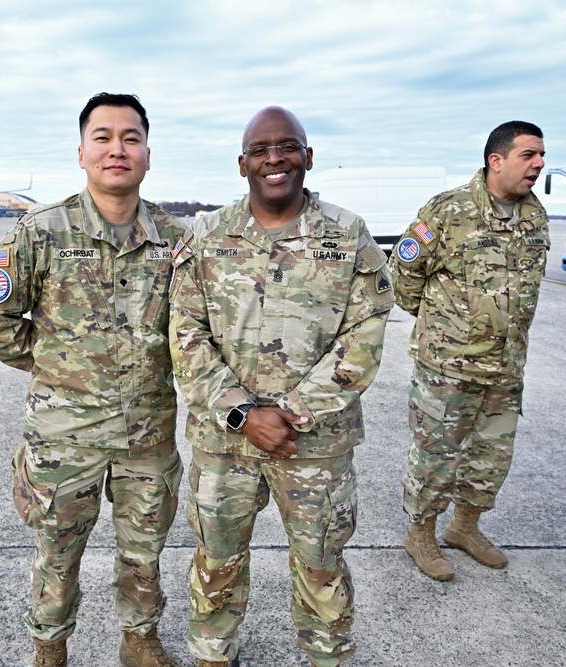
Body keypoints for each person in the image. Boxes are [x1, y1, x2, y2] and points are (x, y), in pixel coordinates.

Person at [168, 106, 394, 667]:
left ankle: (326, 657)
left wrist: (291, 411)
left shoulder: (348, 234)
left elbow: (364, 331)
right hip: (225, 442)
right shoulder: (207, 236)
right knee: (215, 560)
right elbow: (185, 331)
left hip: (313, 443)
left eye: (288, 146)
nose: (275, 158)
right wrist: (245, 413)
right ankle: (214, 656)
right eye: (261, 150)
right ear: (242, 163)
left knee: (321, 564)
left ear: (308, 157)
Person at [0, 93, 184, 667]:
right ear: (82, 151)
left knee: (144, 552)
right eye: (104, 137)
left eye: (131, 138)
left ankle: (139, 639)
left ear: (147, 153)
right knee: (57, 554)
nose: (118, 149)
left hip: (149, 436)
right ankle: (49, 648)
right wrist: (52, 368)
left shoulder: (175, 237)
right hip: (65, 437)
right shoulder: (40, 231)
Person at [387, 121, 549, 581]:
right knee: (436, 457)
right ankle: (420, 533)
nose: (538, 164)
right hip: (448, 367)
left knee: (491, 456)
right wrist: (445, 326)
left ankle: (465, 527)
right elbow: (405, 274)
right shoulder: (447, 211)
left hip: (506, 366)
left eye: (541, 155)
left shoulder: (534, 216)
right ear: (496, 160)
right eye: (529, 155)